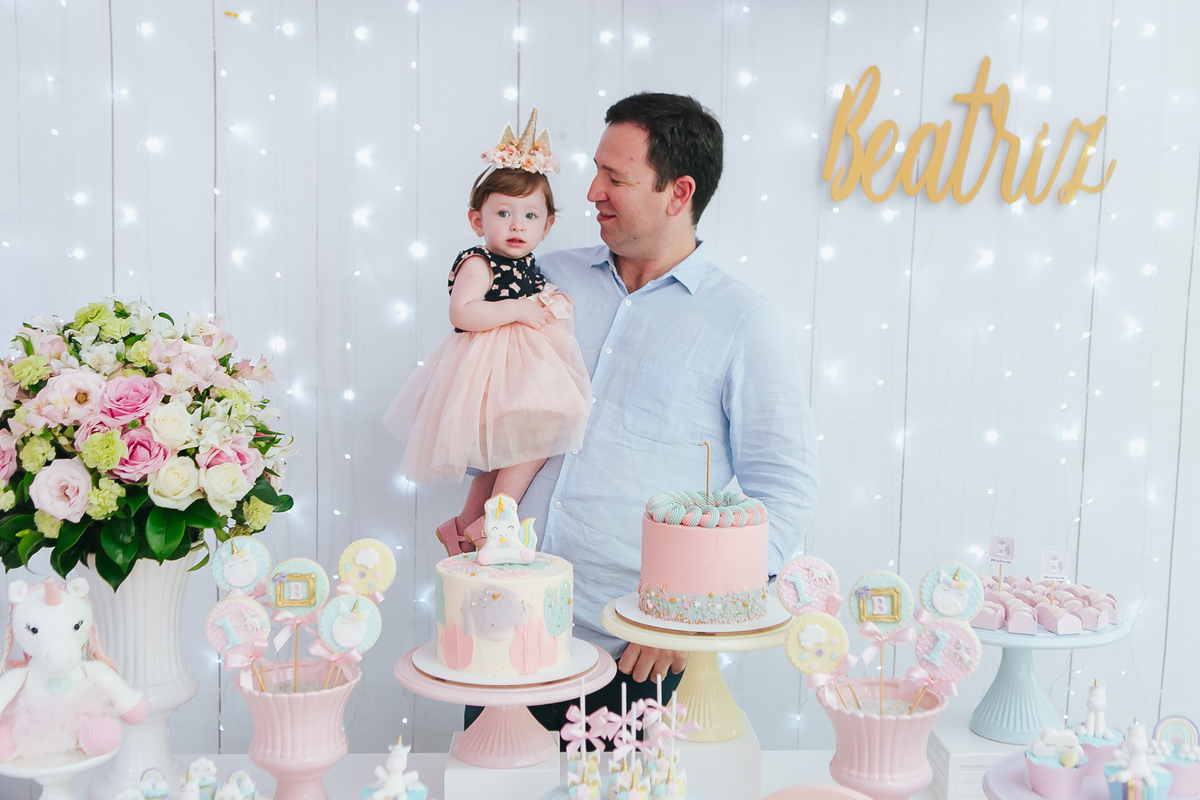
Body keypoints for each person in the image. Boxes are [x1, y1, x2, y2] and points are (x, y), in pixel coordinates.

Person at [467, 93, 820, 737]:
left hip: (633, 646)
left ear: (678, 193)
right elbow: (489, 401)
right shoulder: (541, 279)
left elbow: (784, 490)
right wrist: (474, 504)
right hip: (504, 618)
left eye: (616, 178)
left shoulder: (743, 322)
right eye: (595, 170)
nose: (592, 192)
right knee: (488, 780)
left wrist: (691, 616)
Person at [382, 110, 592, 556]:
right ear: (477, 220)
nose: (517, 225)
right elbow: (462, 312)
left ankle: (463, 528)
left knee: (509, 452)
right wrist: (517, 308)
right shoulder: (480, 263)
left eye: (530, 215)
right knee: (534, 439)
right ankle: (498, 521)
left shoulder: (529, 264)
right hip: (487, 370)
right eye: (503, 213)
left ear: (547, 225)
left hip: (518, 367)